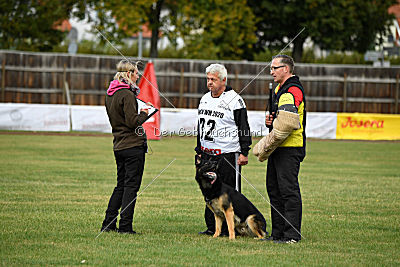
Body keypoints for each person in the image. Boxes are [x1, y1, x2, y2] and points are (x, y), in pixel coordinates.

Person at [195, 63, 252, 236]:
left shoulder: (234, 100)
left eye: (213, 79)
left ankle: (233, 228)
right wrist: (199, 149)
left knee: (229, 194)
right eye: (208, 79)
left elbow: (244, 126)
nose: (209, 82)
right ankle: (212, 227)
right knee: (208, 192)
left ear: (223, 80)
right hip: (207, 154)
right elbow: (200, 126)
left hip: (227, 155)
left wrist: (244, 151)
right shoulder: (205, 98)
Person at [100, 59, 152, 235]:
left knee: (120, 186)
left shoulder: (110, 93)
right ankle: (125, 226)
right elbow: (132, 122)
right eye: (136, 73)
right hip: (132, 146)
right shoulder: (127, 94)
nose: (138, 76)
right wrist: (145, 114)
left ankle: (108, 223)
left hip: (119, 145)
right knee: (131, 187)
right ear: (129, 74)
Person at [263, 55, 306, 243]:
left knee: (288, 191)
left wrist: (267, 142)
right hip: (278, 147)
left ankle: (291, 236)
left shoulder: (292, 90)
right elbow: (280, 119)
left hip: (289, 147)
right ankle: (277, 233)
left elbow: (288, 122)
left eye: (274, 68)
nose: (271, 72)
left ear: (286, 69)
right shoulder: (280, 89)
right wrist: (271, 123)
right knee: (274, 189)